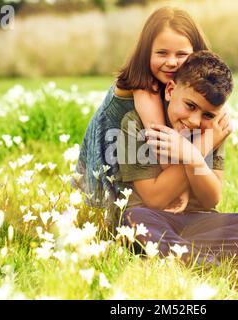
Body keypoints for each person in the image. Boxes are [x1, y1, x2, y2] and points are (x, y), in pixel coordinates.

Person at [116, 50, 238, 265]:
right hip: (155, 219)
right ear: (170, 90)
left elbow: (211, 199)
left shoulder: (213, 130)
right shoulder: (135, 124)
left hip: (200, 222)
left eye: (208, 114)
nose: (195, 121)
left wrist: (193, 157)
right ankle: (211, 264)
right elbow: (155, 199)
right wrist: (198, 149)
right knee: (132, 220)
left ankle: (188, 257)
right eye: (190, 106)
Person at [74, 7, 209, 223]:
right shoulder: (145, 85)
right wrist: (180, 189)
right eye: (162, 53)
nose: (172, 62)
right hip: (116, 155)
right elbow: (160, 140)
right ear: (146, 52)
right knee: (119, 220)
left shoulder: (184, 83)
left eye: (182, 54)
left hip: (142, 152)